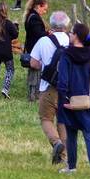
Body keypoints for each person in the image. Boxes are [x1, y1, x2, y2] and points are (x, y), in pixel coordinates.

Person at [56, 22, 90, 177]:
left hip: (70, 98)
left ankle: (72, 166)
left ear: (76, 36)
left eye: (72, 33)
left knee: (71, 133)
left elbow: (62, 79)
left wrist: (63, 98)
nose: (70, 35)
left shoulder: (66, 54)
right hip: (88, 99)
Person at [30, 10, 71, 165]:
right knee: (63, 121)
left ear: (51, 24)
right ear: (67, 25)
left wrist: (45, 66)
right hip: (68, 89)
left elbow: (33, 63)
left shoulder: (44, 41)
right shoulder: (72, 41)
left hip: (48, 87)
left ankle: (56, 143)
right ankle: (63, 157)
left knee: (46, 118)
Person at [21, 0, 48, 102]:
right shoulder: (35, 18)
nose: (45, 12)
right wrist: (48, 33)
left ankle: (34, 95)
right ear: (39, 6)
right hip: (34, 49)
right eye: (44, 9)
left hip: (31, 47)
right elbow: (39, 34)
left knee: (34, 72)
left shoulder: (30, 15)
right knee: (35, 73)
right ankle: (33, 96)